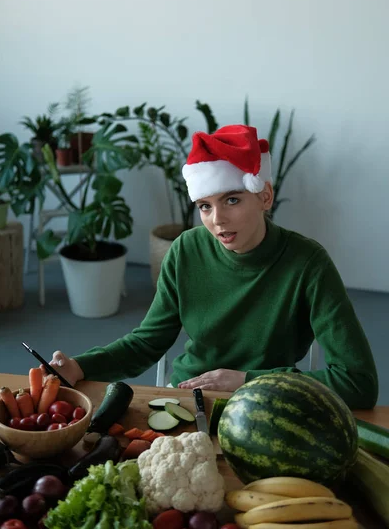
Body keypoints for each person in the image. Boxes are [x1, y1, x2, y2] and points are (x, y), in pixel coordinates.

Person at [45, 124, 378, 409]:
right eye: (205, 206)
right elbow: (146, 343)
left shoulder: (308, 263)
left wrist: (247, 381)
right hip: (189, 399)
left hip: (266, 404)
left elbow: (358, 382)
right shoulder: (186, 250)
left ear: (265, 197)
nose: (217, 220)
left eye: (232, 199)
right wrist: (80, 366)